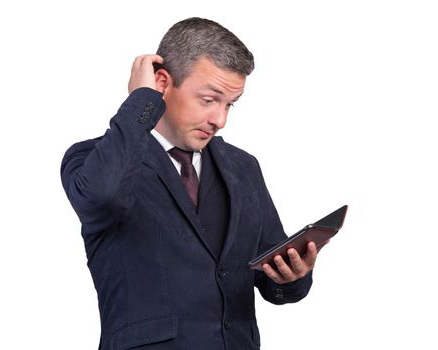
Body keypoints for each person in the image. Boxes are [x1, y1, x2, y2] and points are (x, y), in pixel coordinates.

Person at [61, 17, 322, 350]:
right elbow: (102, 198)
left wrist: (292, 277)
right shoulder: (93, 159)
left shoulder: (243, 167)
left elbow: (269, 273)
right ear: (162, 83)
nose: (220, 120)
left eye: (230, 104)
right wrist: (141, 102)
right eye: (209, 100)